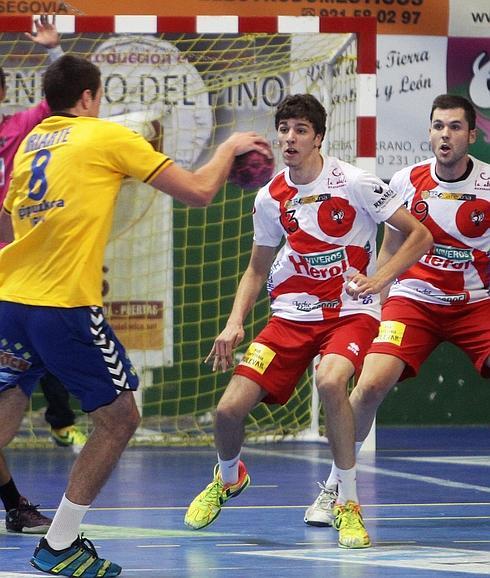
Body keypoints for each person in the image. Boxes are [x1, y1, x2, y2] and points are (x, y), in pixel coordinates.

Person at [0, 53, 271, 577]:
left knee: (10, 398)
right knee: (120, 418)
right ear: (87, 98)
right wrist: (231, 146)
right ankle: (59, 545)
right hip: (62, 306)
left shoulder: (34, 143)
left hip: (10, 300)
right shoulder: (103, 136)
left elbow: (7, 219)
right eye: (98, 96)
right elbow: (198, 191)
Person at [184, 93, 433, 549]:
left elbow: (419, 235)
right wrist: (234, 322)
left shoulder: (355, 182)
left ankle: (347, 503)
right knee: (227, 411)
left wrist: (379, 280)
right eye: (284, 130)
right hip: (291, 314)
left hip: (349, 311)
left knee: (332, 380)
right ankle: (228, 477)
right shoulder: (270, 196)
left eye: (300, 130)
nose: (290, 139)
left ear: (319, 137)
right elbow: (257, 268)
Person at [304, 93, 489, 527]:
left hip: (475, 304)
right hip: (413, 301)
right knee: (369, 386)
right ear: (429, 132)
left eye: (455, 127)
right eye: (438, 126)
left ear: (472, 135)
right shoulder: (406, 180)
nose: (445, 135)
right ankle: (335, 488)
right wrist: (376, 306)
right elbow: (390, 246)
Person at [0, 16, 86, 537]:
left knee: (12, 396)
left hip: (13, 284)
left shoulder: (18, 134)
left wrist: (54, 52)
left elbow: (61, 105)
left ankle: (14, 505)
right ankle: (14, 505)